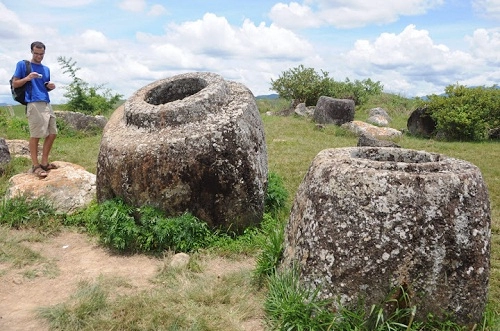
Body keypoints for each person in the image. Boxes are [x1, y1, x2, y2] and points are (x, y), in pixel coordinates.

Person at [12, 41, 57, 178]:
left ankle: (44, 163)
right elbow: (15, 83)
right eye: (36, 53)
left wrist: (49, 86)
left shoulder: (46, 69)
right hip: (33, 103)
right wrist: (27, 78)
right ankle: (35, 166)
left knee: (52, 133)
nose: (39, 56)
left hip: (46, 102)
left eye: (41, 54)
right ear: (31, 52)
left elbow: (44, 85)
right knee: (36, 135)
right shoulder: (23, 65)